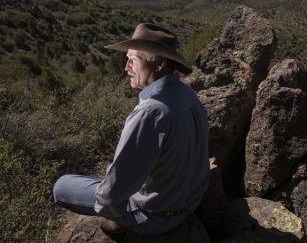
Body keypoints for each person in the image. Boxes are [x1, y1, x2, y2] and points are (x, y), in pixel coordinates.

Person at [53, 23, 210, 236]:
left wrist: (114, 210)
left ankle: (125, 226)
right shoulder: (187, 95)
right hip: (191, 202)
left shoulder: (151, 112)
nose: (126, 67)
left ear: (160, 63)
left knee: (61, 186)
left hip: (155, 218)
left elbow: (110, 197)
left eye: (133, 60)